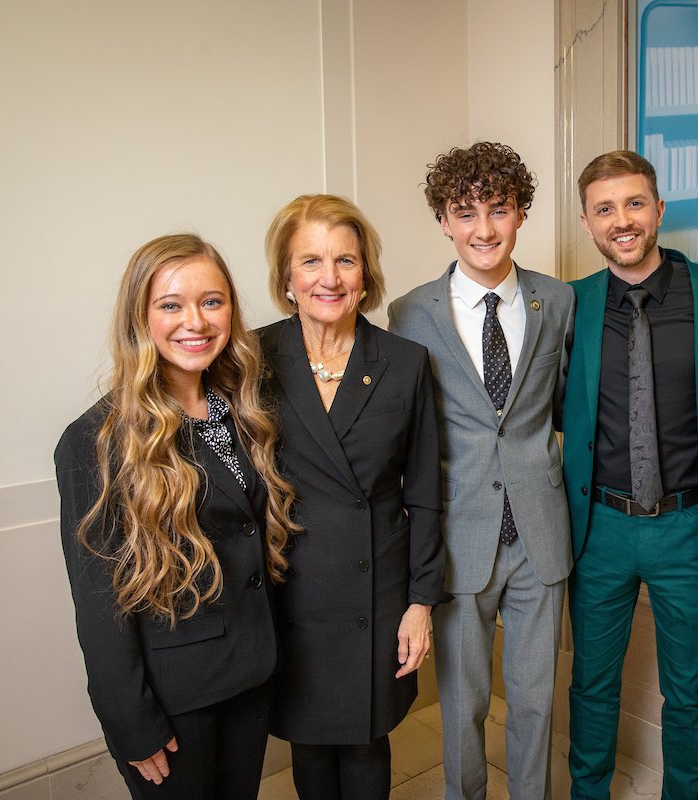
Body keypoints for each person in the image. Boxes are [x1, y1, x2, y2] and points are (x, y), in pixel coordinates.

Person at [55, 233, 298, 799]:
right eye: (171, 305)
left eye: (212, 301)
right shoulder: (95, 440)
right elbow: (98, 603)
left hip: (249, 676)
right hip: (174, 699)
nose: (196, 320)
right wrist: (129, 721)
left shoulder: (240, 411)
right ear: (140, 318)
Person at [561, 150, 698, 799]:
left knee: (690, 688)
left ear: (658, 210)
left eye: (634, 203)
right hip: (600, 531)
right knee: (591, 683)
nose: (622, 220)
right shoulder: (570, 306)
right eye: (605, 208)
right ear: (588, 223)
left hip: (690, 529)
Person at [387, 142, 575, 800]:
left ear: (521, 212)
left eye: (498, 210)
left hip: (539, 532)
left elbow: (568, 410)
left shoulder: (558, 302)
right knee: (461, 708)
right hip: (458, 535)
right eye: (465, 213)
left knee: (535, 703)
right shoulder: (410, 314)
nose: (483, 229)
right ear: (443, 219)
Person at [259, 194, 447, 800]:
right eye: (310, 261)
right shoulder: (251, 358)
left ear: (365, 274)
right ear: (287, 277)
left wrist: (421, 601)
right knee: (309, 747)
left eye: (346, 260)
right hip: (289, 587)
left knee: (368, 743)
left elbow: (424, 491)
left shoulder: (403, 361)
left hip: (378, 587)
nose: (329, 277)